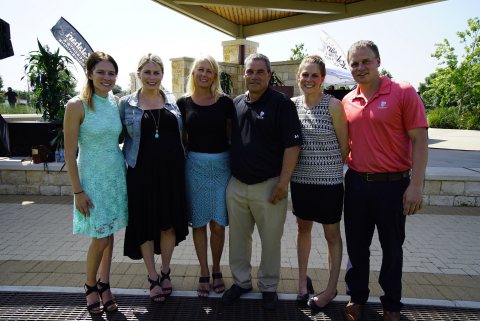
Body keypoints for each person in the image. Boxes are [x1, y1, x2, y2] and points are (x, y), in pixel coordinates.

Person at [342, 40, 428, 321]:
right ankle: (356, 298)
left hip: (393, 185)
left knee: (391, 247)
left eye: (365, 61)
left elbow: (420, 140)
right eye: (354, 63)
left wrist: (416, 185)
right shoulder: (347, 101)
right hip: (356, 183)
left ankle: (391, 304)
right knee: (356, 245)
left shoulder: (403, 92)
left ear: (378, 61)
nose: (360, 67)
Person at [222, 53, 303, 310]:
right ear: (244, 74)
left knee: (270, 240)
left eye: (260, 72)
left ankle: (268, 286)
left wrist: (283, 183)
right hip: (236, 185)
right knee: (237, 239)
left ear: (269, 75)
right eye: (250, 71)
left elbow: (293, 145)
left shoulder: (282, 103)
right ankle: (241, 282)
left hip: (269, 187)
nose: (254, 76)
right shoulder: (236, 103)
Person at [120, 53, 189, 303]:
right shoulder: (126, 105)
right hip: (141, 175)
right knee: (146, 226)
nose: (152, 77)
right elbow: (113, 138)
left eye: (156, 72)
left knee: (168, 225)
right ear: (138, 73)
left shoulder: (172, 101)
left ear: (162, 75)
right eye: (147, 72)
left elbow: (184, 134)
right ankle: (152, 278)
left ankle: (166, 271)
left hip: (171, 174)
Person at [64, 52, 128, 314]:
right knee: (100, 238)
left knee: (109, 233)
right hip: (91, 180)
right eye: (101, 72)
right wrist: (77, 191)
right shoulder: (76, 105)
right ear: (89, 73)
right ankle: (90, 285)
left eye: (111, 73)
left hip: (115, 176)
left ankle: (105, 284)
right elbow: (69, 153)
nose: (107, 77)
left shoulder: (116, 102)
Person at [290, 56, 349, 309]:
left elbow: (346, 147)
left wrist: (327, 168)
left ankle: (331, 288)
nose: (309, 80)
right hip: (300, 181)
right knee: (303, 229)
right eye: (305, 74)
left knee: (332, 235)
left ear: (322, 79)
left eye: (315, 75)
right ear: (298, 77)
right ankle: (303, 283)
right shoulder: (291, 106)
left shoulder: (333, 105)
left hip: (329, 184)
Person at [177, 55, 234, 298]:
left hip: (222, 166)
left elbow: (232, 136)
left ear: (215, 75)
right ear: (193, 73)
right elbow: (181, 139)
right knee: (199, 224)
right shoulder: (183, 103)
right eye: (200, 69)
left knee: (219, 225)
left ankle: (217, 268)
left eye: (209, 71)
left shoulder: (225, 103)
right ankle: (203, 270)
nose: (204, 74)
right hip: (195, 168)